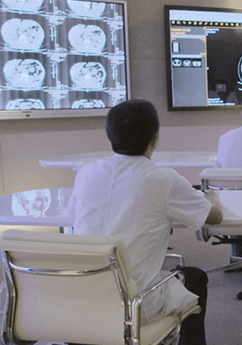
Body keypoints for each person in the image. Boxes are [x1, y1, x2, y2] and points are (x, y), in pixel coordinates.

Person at [67, 99, 223, 345]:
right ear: (156, 138)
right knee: (194, 278)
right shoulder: (163, 179)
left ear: (110, 136)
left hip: (81, 297)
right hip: (136, 302)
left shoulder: (86, 174)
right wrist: (211, 197)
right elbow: (213, 217)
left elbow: (72, 217)